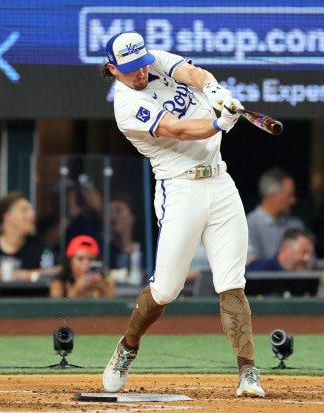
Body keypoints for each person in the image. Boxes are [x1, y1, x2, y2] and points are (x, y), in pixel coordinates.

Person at [100, 31, 264, 397]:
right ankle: (127, 347)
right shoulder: (125, 106)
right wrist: (218, 123)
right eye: (129, 69)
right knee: (165, 289)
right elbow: (176, 129)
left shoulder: (150, 60)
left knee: (231, 282)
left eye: (141, 64)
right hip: (179, 188)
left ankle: (248, 372)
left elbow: (193, 73)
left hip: (220, 181)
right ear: (112, 69)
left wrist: (216, 91)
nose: (140, 72)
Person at [0, 192, 56, 282]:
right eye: (24, 210)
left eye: (32, 210)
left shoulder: (39, 245)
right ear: (7, 217)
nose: (32, 214)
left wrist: (28, 275)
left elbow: (57, 269)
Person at [246, 167, 305, 259]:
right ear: (272, 196)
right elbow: (250, 265)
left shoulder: (296, 225)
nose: (293, 200)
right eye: (289, 195)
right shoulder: (248, 225)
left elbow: (311, 262)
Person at [50, 235, 115, 298]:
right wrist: (76, 290)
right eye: (80, 259)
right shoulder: (59, 284)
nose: (86, 263)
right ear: (70, 261)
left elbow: (111, 306)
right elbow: (58, 307)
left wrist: (105, 290)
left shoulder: (103, 281)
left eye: (91, 259)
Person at [246, 228, 315, 272]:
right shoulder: (258, 270)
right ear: (285, 248)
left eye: (310, 254)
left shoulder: (307, 278)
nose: (307, 258)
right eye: (303, 252)